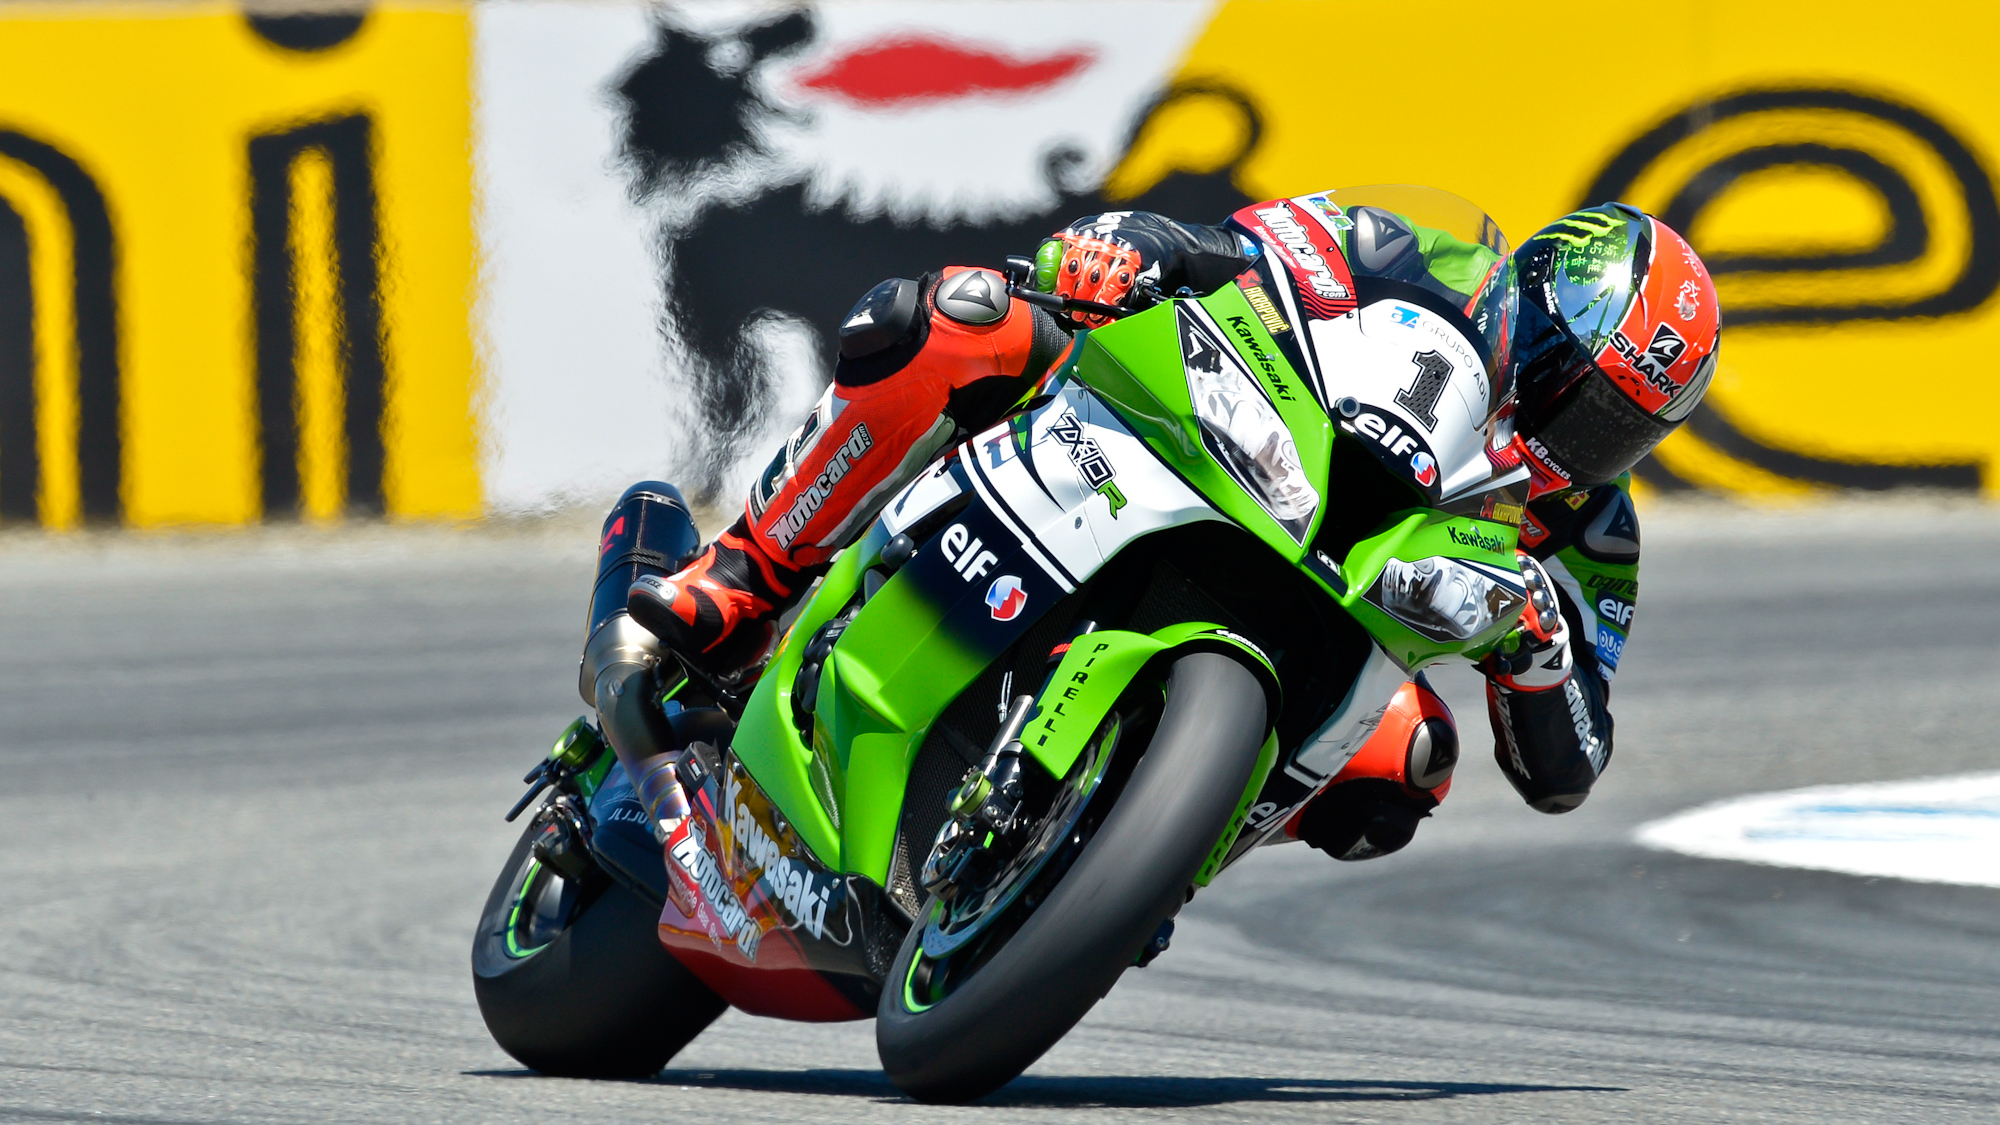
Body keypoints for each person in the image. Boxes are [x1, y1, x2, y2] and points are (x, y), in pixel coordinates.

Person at [625, 197, 1720, 858]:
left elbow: (1569, 764)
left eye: (1621, 427)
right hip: (1236, 453)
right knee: (961, 319)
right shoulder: (1421, 262)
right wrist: (1131, 252)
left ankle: (1132, 848)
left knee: (1411, 764)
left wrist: (1540, 652)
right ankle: (746, 577)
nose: (1585, 433)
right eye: (1576, 388)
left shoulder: (1592, 533)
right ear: (1531, 309)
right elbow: (1239, 246)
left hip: (1351, 630)